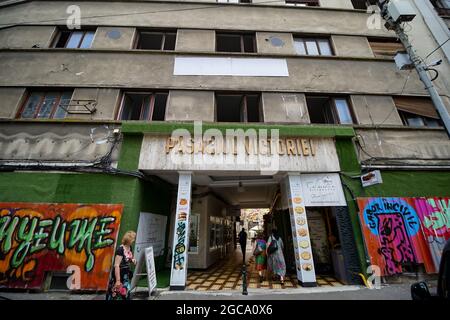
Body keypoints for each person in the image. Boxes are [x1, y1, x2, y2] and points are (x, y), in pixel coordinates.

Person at [106, 231, 137, 300]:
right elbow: (116, 265)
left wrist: (132, 260)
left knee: (124, 293)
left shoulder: (129, 247)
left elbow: (128, 258)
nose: (134, 240)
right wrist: (118, 280)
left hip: (126, 275)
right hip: (119, 274)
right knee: (116, 293)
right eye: (133, 239)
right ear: (129, 240)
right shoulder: (120, 250)